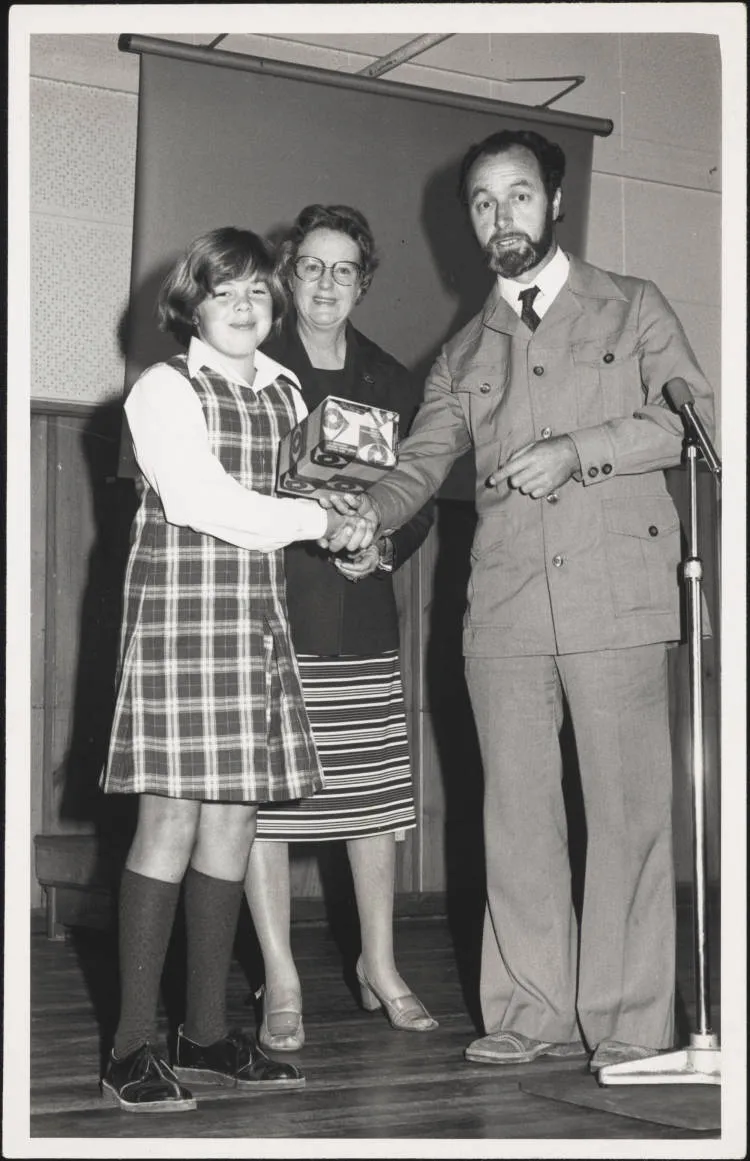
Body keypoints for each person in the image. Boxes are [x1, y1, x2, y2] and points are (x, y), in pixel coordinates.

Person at [335, 129, 716, 1072]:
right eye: (480, 202)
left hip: (618, 596)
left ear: (553, 201)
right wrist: (367, 520)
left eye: (516, 196)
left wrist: (579, 450)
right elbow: (419, 460)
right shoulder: (466, 348)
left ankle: (629, 1021)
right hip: (504, 610)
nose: (499, 217)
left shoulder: (632, 306)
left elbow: (693, 418)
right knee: (515, 814)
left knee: (627, 814)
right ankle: (529, 1011)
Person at [99, 226, 371, 1112]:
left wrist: (351, 515)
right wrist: (314, 522)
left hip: (255, 622)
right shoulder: (162, 388)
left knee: (233, 826)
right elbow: (202, 500)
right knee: (172, 820)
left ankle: (207, 1036)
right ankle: (132, 1046)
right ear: (193, 303)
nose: (246, 306)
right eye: (226, 292)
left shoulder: (289, 390)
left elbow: (308, 491)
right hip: (181, 620)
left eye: (259, 291)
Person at [244, 204, 437, 1052]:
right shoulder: (253, 369)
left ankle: (379, 964)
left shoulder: (393, 380)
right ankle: (280, 975)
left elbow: (419, 501)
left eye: (344, 269)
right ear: (290, 274)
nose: (327, 283)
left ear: (364, 282)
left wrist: (381, 544)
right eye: (312, 267)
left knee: (371, 803)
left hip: (359, 613)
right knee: (263, 809)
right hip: (270, 612)